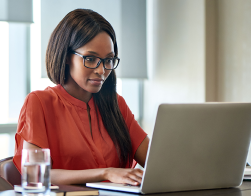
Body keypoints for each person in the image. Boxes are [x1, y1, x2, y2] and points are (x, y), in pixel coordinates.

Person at [13, 9, 149, 186]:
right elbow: (35, 176)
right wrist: (106, 173)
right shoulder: (39, 103)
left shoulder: (116, 104)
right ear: (67, 56)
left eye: (108, 60)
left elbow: (157, 162)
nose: (101, 71)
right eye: (91, 59)